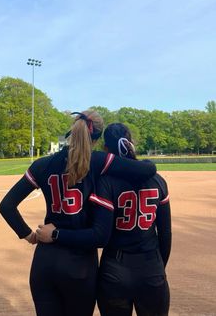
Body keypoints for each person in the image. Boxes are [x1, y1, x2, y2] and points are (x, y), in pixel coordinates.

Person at [0, 111, 157, 316]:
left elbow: (7, 206)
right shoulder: (99, 160)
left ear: (72, 132)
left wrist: (28, 234)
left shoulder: (43, 164)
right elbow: (147, 170)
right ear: (98, 138)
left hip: (44, 262)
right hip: (79, 264)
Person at [38, 123, 171, 316]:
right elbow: (165, 233)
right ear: (131, 142)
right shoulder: (157, 180)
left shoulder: (106, 181)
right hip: (151, 266)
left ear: (106, 149)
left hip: (115, 270)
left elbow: (99, 233)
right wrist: (158, 267)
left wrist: (58, 233)